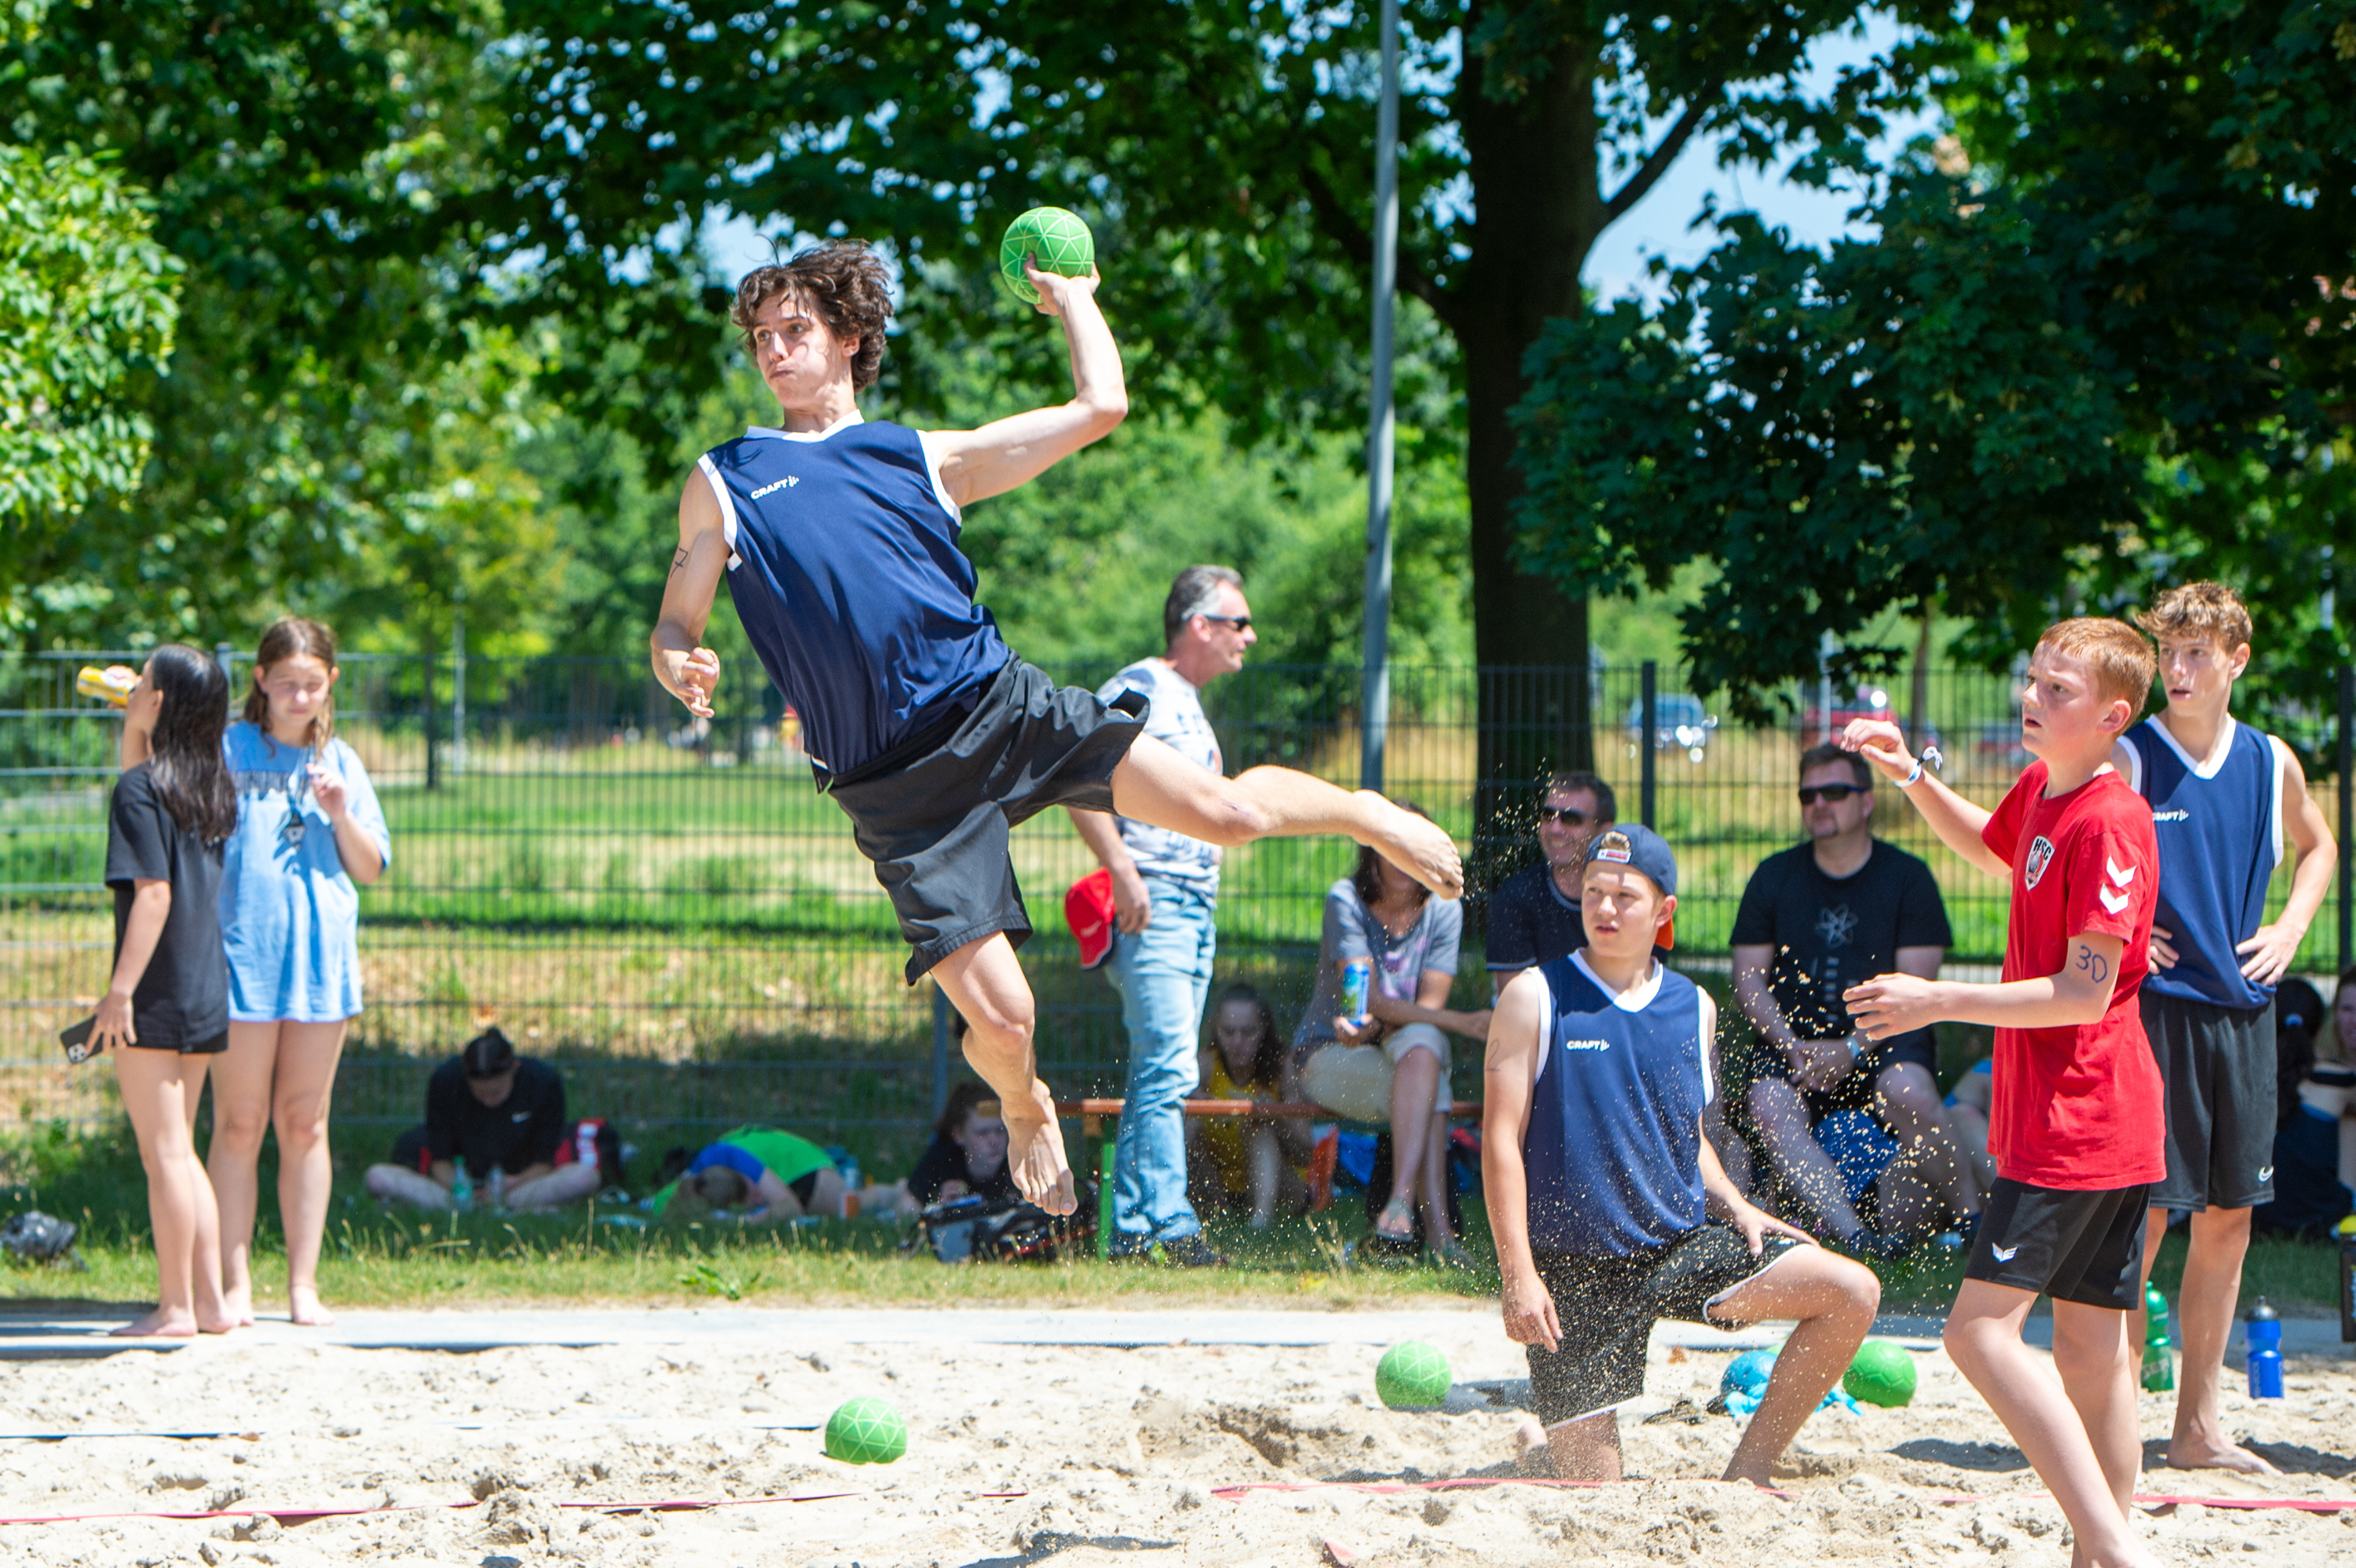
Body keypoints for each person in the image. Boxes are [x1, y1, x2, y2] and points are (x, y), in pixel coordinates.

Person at [648, 241, 1461, 1220]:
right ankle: (1024, 1098)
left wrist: (1074, 297)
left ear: (850, 337)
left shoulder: (920, 456)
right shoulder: (727, 478)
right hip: (895, 788)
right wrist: (676, 658)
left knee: (1227, 814)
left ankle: (1366, 812)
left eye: (796, 331)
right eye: (761, 338)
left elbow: (1100, 406)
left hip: (1001, 709)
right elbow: (676, 621)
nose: (775, 351)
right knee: (1005, 1016)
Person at [1841, 617, 2166, 1568]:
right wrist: (1909, 772)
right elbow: (1992, 845)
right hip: (2085, 1118)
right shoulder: (2045, 789)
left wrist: (1937, 997)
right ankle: (2103, 1550)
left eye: (2058, 689)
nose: (2032, 697)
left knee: (1978, 1334)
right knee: (2091, 1354)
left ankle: (2113, 1545)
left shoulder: (2110, 818)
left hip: (2083, 1121)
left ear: (2112, 716)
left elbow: (2084, 991)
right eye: (2032, 678)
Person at [1485, 824, 1880, 1485]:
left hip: (1676, 1245)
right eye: (1594, 891)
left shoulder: (1694, 1006)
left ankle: (1748, 1473)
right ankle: (1543, 1442)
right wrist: (1518, 1273)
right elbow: (1501, 1139)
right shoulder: (1533, 994)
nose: (1605, 907)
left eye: (1625, 895)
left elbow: (1685, 1136)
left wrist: (1735, 1203)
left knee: (1852, 1291)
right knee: (1594, 1491)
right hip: (1575, 1270)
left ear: (1663, 910)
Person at [2113, 582, 2338, 1475]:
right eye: (2167, 652)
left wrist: (2292, 927)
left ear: (2237, 660)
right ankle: (2111, 1421)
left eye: (2196, 653)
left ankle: (2197, 1429)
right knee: (2141, 1223)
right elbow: (2058, 847)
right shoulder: (2131, 754)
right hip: (2155, 1013)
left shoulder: (2270, 759)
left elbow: (2320, 845)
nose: (2177, 669)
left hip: (2242, 1015)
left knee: (2228, 1222)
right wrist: (2128, 932)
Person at [1066, 565, 1257, 1265]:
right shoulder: (1142, 686)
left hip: (1190, 906)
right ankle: (1165, 1226)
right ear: (1199, 625)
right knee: (1169, 1065)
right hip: (1157, 902)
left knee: (1165, 1066)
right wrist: (1123, 872)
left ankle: (1136, 1228)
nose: (1250, 636)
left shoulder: (1186, 702)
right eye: (1239, 622)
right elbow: (1076, 774)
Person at [199, 617, 386, 1329]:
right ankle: (234, 1283)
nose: (299, 697)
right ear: (260, 680)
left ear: (331, 681)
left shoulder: (343, 761)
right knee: (239, 1123)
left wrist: (339, 812)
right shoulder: (227, 750)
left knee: (305, 1124)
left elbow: (369, 867)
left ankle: (302, 1284)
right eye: (286, 684)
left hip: (318, 964)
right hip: (241, 960)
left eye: (312, 684)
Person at [1731, 741, 1975, 1255]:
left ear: (1866, 801)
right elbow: (1748, 979)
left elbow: (1919, 988)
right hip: (1795, 1046)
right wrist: (1792, 1046)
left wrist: (1852, 1048)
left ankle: (1974, 1221)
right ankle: (1855, 1237)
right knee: (1769, 1101)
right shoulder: (1773, 876)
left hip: (1884, 1039)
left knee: (1907, 1089)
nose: (1819, 803)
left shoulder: (1908, 878)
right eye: (1809, 795)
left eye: (1835, 792)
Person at [99, 645, 240, 1338]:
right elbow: (141, 767)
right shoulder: (210, 786)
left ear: (158, 701)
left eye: (143, 681)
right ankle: (210, 1303)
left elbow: (152, 894)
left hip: (154, 990)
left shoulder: (138, 791)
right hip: (205, 984)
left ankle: (175, 1306)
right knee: (182, 1150)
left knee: (164, 1156)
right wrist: (136, 720)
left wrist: (119, 992)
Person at [1294, 807, 1490, 1266]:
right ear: (1373, 852)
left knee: (1425, 1049)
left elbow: (1427, 1010)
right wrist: (1464, 1023)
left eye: (1415, 851)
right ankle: (1440, 1236)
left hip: (1405, 1045)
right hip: (1330, 1052)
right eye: (1394, 848)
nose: (1405, 861)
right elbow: (1368, 1001)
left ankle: (1399, 1208)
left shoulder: (1445, 907)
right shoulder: (1345, 899)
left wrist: (1389, 1023)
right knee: (1430, 1088)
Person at [361, 1029, 602, 1211]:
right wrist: (461, 1188)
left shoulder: (543, 1083)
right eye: (480, 1093)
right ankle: (488, 1209)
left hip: (519, 1186)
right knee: (377, 1177)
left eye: (497, 1093)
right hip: (458, 1188)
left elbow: (544, 1163)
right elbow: (440, 1161)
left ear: (515, 1069)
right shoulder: (445, 1082)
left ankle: (508, 1206)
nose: (488, 1101)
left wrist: (512, 1183)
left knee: (584, 1177)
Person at [1187, 983, 1312, 1227]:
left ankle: (1260, 1222)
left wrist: (1275, 1115)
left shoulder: (1281, 1068)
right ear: (1216, 1030)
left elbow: (1304, 1154)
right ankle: (1186, 1211)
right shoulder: (1205, 1066)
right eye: (1228, 1032)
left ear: (1264, 1030)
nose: (1237, 1042)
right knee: (1190, 1124)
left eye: (1248, 1032)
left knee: (1258, 1125)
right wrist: (1192, 1105)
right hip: (1217, 1190)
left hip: (1282, 1189)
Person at [1484, 770, 1615, 995]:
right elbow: (1515, 1002)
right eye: (1547, 815)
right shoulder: (1515, 899)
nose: (1555, 828)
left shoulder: (1627, 902)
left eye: (1571, 819)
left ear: (1604, 831)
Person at [2252, 975, 2355, 1237]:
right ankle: (2350, 1210)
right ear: (2322, 1026)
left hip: (2255, 1211)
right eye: (2348, 1009)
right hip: (2317, 1215)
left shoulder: (2248, 1073)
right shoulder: (2338, 1078)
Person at [652, 1127, 896, 1220]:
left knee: (852, 1206)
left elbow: (790, 1207)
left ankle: (897, 1192)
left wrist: (743, 1223)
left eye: (752, 1191)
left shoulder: (732, 1157)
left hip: (801, 1166)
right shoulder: (685, 1190)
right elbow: (662, 1207)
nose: (758, 1198)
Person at [906, 1081, 1021, 1208]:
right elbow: (907, 1205)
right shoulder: (943, 1158)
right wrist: (938, 1204)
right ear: (959, 1135)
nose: (994, 1142)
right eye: (982, 1133)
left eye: (1000, 1130)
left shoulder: (1019, 1164)